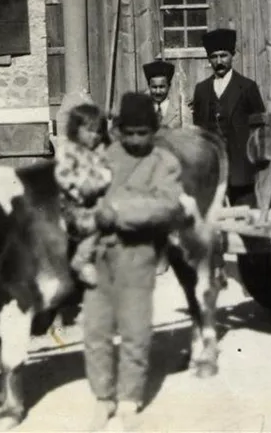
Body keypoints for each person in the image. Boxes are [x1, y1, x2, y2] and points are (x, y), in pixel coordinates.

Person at [83, 92, 193, 431]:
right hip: (100, 253)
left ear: (154, 130)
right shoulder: (105, 157)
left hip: (137, 253)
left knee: (135, 329)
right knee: (96, 329)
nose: (134, 140)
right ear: (118, 130)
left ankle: (129, 401)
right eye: (128, 133)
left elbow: (165, 206)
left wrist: (117, 211)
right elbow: (86, 195)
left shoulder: (165, 163)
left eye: (142, 133)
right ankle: (103, 397)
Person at [191, 28, 266, 207]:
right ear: (209, 59)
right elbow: (198, 132)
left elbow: (260, 128)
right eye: (214, 57)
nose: (219, 62)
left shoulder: (247, 87)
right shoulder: (201, 90)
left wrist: (256, 165)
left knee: (244, 216)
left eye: (223, 56)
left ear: (233, 55)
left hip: (241, 172)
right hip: (213, 172)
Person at [53, 103, 112, 287]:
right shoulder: (67, 150)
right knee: (102, 219)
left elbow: (107, 173)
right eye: (89, 131)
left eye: (98, 132)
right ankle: (81, 261)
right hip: (71, 206)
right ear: (76, 128)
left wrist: (101, 182)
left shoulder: (100, 152)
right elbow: (62, 175)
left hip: (94, 201)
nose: (94, 136)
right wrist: (79, 186)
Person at [143, 58, 181, 129]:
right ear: (149, 86)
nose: (158, 92)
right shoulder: (141, 109)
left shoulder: (180, 109)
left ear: (169, 86)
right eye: (154, 87)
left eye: (162, 87)